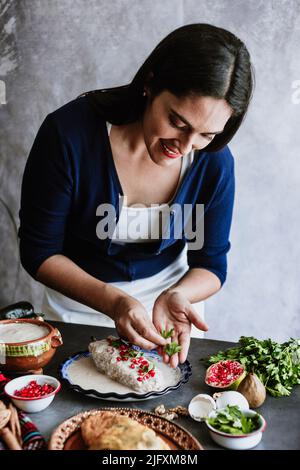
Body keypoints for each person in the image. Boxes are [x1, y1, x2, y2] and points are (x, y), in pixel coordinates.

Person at [18, 23, 254, 368]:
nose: (186, 147)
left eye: (206, 134)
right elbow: (39, 251)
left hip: (167, 313)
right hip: (78, 310)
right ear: (150, 84)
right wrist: (116, 302)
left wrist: (179, 295)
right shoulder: (68, 136)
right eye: (178, 121)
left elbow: (211, 265)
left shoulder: (214, 161)